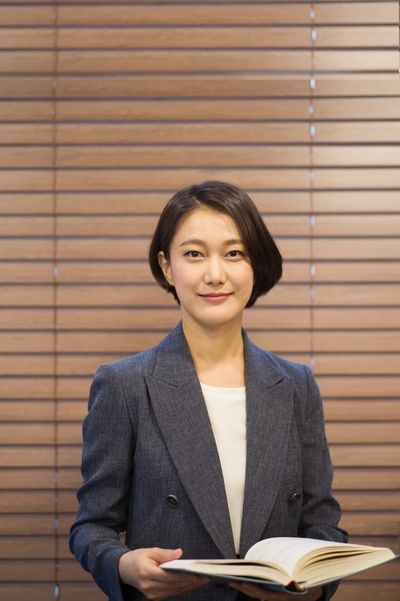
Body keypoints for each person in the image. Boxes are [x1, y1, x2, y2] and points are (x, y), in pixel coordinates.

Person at [69, 181, 347, 601]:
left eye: (234, 253)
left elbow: (322, 523)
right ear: (167, 267)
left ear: (255, 264)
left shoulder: (296, 385)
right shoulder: (125, 385)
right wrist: (125, 566)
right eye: (194, 254)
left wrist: (313, 587)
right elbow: (92, 527)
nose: (215, 274)